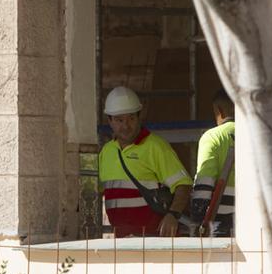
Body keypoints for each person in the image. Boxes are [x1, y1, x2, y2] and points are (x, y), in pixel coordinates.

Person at [97, 87, 193, 237]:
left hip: (154, 241)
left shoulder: (156, 147)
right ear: (109, 120)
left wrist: (173, 215)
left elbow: (184, 184)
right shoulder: (106, 152)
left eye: (131, 118)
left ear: (139, 117)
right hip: (121, 242)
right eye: (119, 120)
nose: (125, 126)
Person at [189, 89, 236, 237]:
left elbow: (205, 180)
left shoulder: (212, 137)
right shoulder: (257, 134)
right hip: (255, 218)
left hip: (221, 224)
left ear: (219, 111)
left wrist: (198, 221)